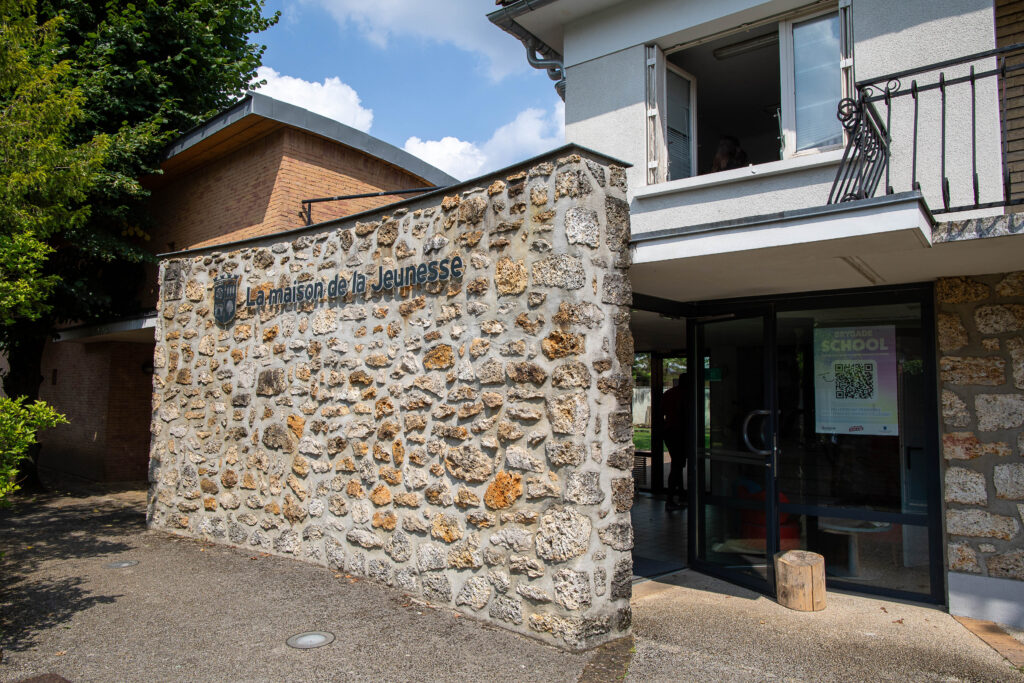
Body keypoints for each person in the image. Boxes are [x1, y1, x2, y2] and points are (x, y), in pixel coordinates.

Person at [660, 376, 687, 510]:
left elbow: (662, 412)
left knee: (678, 464)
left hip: (670, 431)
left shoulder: (669, 393)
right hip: (679, 432)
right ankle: (671, 499)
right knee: (677, 465)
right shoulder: (686, 394)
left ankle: (679, 494)